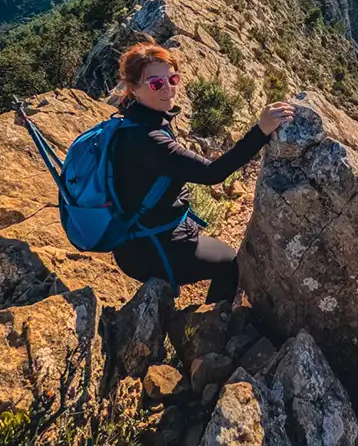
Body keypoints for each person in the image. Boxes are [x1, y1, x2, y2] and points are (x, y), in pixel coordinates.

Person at [110, 42, 294, 303]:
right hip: (149, 247)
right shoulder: (147, 138)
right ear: (133, 89)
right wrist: (260, 131)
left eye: (172, 78)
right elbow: (213, 173)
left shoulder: (135, 120)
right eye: (155, 84)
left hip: (141, 234)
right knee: (231, 263)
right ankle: (210, 330)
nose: (168, 88)